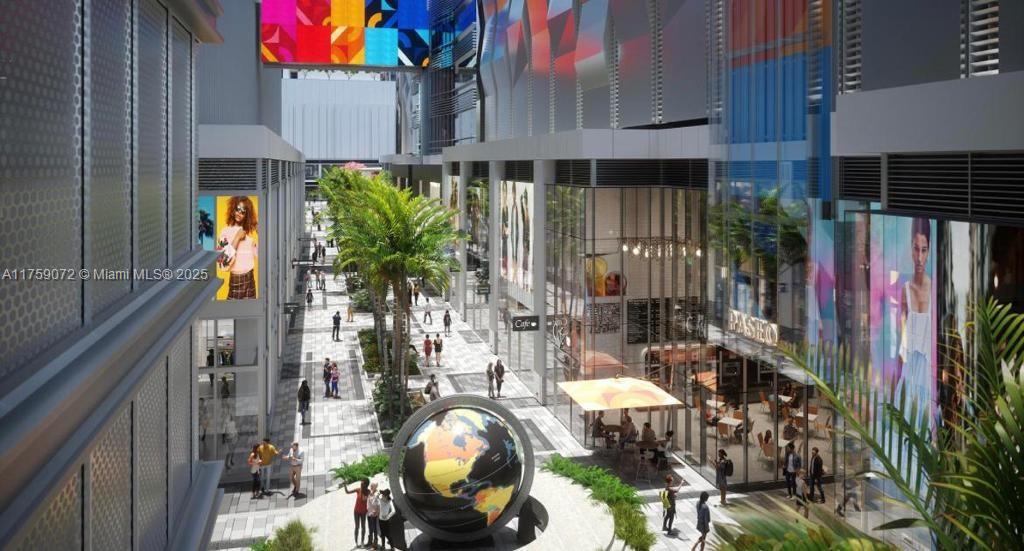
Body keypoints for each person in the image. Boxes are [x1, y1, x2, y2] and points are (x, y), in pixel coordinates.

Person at [216, 196, 258, 299]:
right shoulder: (225, 232)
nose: (239, 213)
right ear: (233, 208)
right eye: (237, 209)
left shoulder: (250, 234)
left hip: (251, 281)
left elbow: (262, 256)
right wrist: (237, 238)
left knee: (250, 314)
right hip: (236, 281)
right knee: (231, 314)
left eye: (243, 211)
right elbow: (222, 264)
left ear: (247, 215)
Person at [345, 479, 371, 547]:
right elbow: (347, 492)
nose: (361, 485)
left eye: (362, 484)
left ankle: (362, 542)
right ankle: (356, 543)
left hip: (363, 512)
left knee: (363, 527)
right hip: (356, 511)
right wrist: (345, 485)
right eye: (361, 484)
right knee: (357, 527)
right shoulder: (358, 489)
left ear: (366, 485)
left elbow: (364, 499)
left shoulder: (368, 492)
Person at [367, 483, 381, 550]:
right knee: (370, 528)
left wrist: (375, 511)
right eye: (371, 486)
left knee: (374, 529)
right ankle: (371, 542)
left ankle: (375, 545)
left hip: (373, 514)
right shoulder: (371, 493)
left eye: (372, 486)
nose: (370, 487)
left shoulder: (376, 494)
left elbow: (378, 504)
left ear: (375, 487)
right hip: (369, 513)